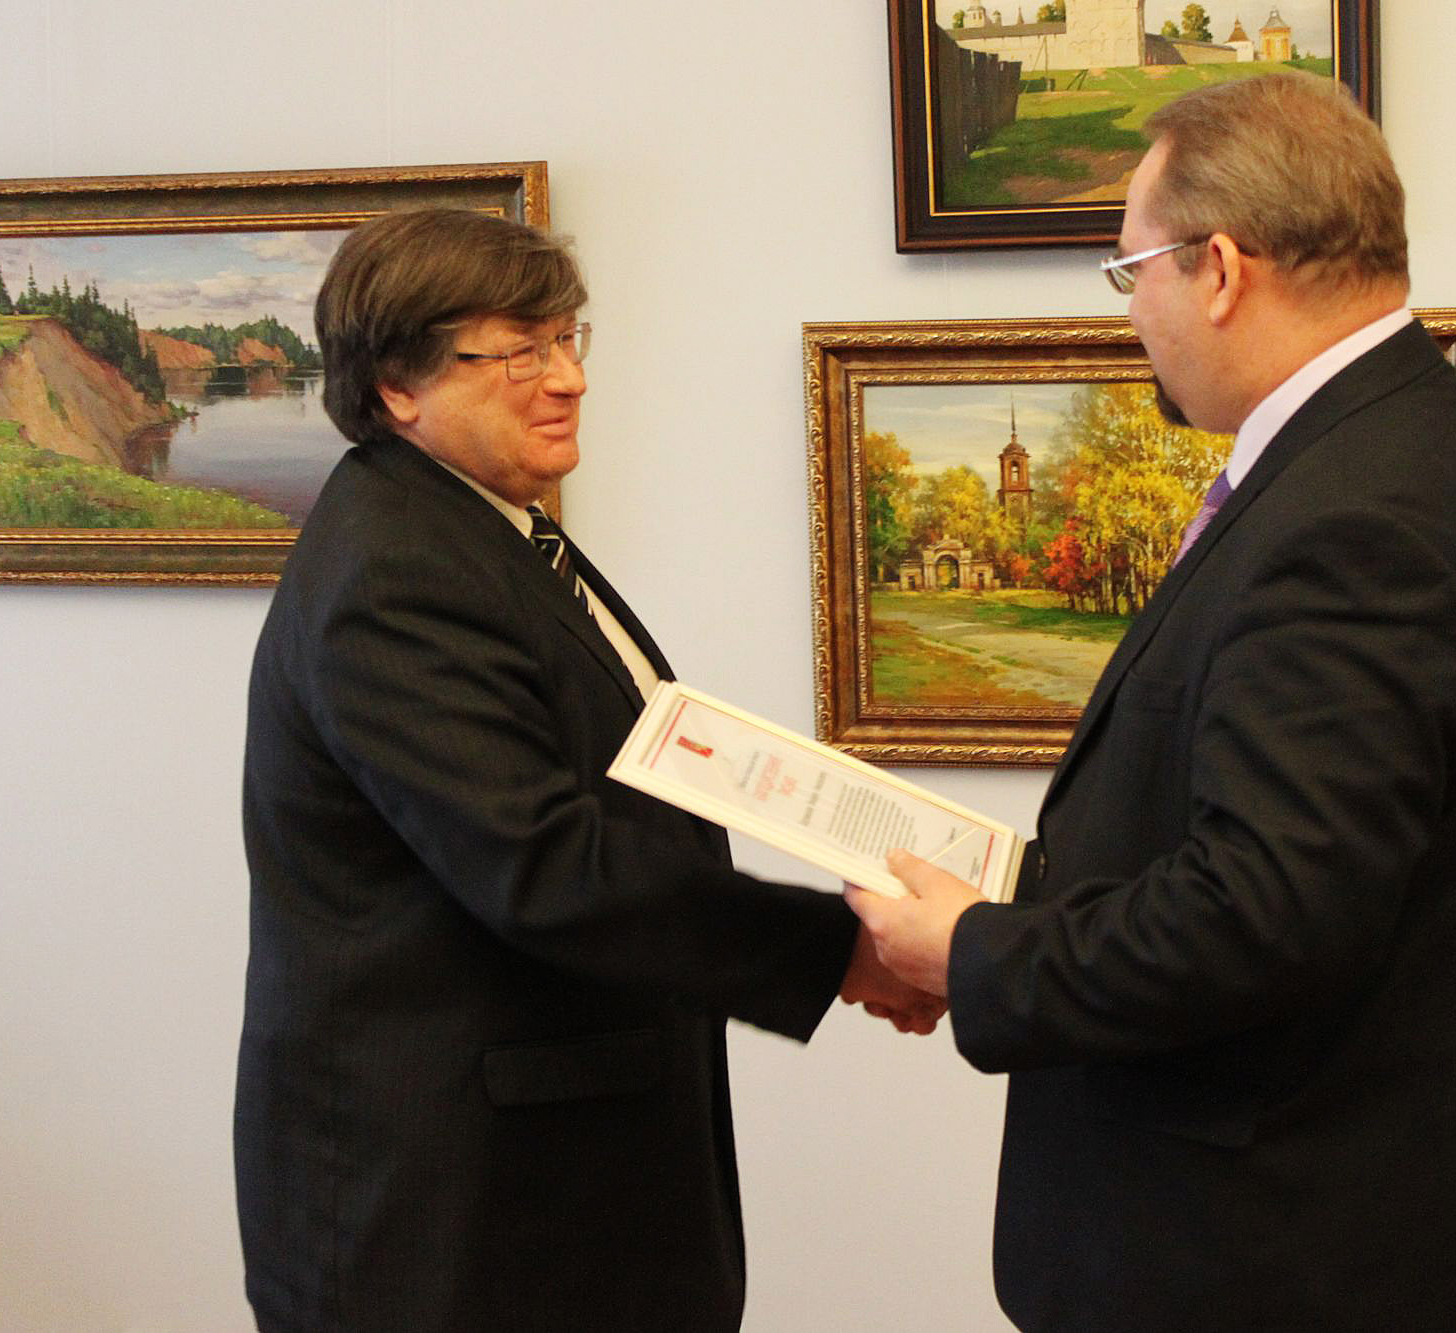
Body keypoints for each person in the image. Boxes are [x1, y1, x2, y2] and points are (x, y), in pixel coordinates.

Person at [848, 74, 1456, 1331]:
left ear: (1217, 269)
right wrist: (1013, 914)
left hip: (1314, 1258)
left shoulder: (1358, 516)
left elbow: (1263, 911)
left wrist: (979, 954)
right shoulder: (1388, 447)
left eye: (1130, 273)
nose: (1130, 315)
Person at [236, 208, 939, 1331]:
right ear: (399, 385)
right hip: (457, 1214)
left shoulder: (482, 528)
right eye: (518, 352)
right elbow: (543, 863)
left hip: (553, 1175)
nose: (567, 377)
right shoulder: (393, 570)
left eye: (567, 338)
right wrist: (841, 949)